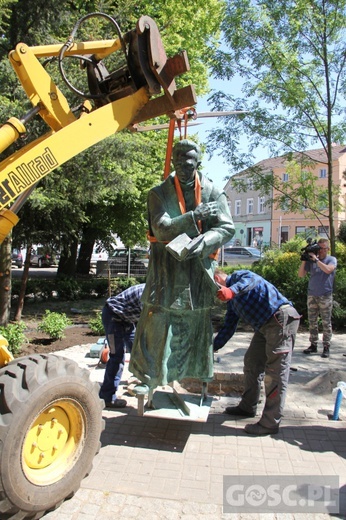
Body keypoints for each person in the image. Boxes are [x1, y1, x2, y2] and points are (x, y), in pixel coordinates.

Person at [129, 140, 234, 390]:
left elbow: (226, 227)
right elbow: (161, 228)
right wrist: (194, 216)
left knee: (196, 321)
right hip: (166, 267)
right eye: (179, 163)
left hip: (197, 269)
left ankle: (199, 377)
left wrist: (205, 241)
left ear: (198, 163)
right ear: (173, 163)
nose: (184, 169)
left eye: (189, 164)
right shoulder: (159, 193)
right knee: (157, 319)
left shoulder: (211, 192)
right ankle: (150, 377)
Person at [213, 269, 301, 436]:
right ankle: (247, 407)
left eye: (215, 288)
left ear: (217, 279)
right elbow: (228, 328)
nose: (216, 295)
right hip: (264, 326)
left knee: (276, 372)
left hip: (280, 319)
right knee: (252, 362)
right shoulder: (232, 303)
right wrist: (212, 347)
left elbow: (250, 282)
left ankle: (270, 423)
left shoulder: (241, 276)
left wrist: (230, 291)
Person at [99, 283, 145, 408]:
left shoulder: (153, 292)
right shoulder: (146, 293)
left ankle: (141, 377)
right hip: (113, 318)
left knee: (137, 350)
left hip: (126, 320)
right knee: (117, 357)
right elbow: (147, 320)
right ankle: (107, 397)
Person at [298, 238, 337, 358]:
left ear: (328, 249)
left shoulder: (331, 259)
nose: (321, 251)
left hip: (325, 295)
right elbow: (301, 275)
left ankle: (326, 346)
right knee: (312, 322)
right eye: (319, 248)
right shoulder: (312, 261)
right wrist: (305, 259)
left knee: (326, 322)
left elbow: (328, 270)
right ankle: (313, 345)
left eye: (324, 248)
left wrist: (316, 260)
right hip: (312, 295)